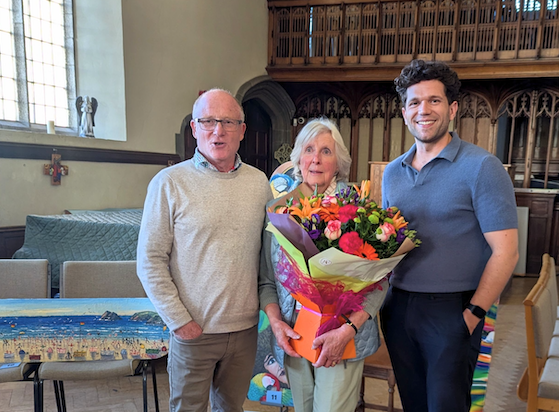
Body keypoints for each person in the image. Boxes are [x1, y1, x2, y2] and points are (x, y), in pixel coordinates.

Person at [380, 60, 519, 412]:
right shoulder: (392, 173)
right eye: (414, 102)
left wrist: (472, 314)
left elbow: (506, 252)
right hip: (398, 309)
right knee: (413, 403)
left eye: (434, 101)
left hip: (452, 310)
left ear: (453, 108)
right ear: (404, 111)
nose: (423, 110)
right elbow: (385, 246)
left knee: (446, 406)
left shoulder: (482, 167)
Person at [137, 88, 273, 412]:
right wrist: (179, 321)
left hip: (244, 331)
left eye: (228, 121)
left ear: (242, 130)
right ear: (194, 128)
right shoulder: (168, 183)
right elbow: (150, 261)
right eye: (209, 121)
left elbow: (267, 257)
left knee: (232, 409)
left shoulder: (259, 183)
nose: (218, 130)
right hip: (193, 333)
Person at [259, 118, 388, 412]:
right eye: (309, 149)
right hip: (295, 334)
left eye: (326, 151)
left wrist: (347, 330)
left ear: (338, 162)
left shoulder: (360, 210)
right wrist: (277, 323)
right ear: (298, 159)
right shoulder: (280, 211)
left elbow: (380, 280)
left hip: (341, 335)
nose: (316, 158)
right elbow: (267, 280)